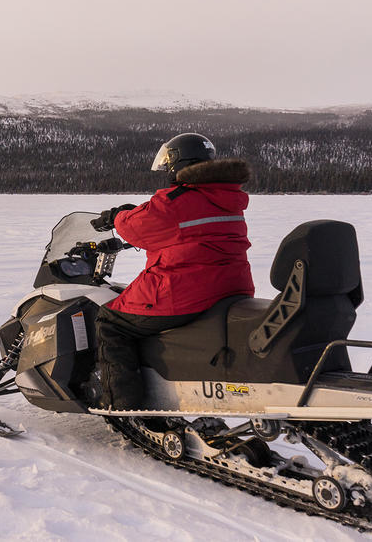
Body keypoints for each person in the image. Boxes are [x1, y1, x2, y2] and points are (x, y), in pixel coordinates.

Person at [90, 133, 253, 409]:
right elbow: (188, 229)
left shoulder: (176, 200)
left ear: (179, 163)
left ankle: (121, 404)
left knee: (111, 321)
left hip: (187, 291)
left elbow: (137, 228)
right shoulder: (228, 196)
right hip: (230, 288)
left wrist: (116, 216)